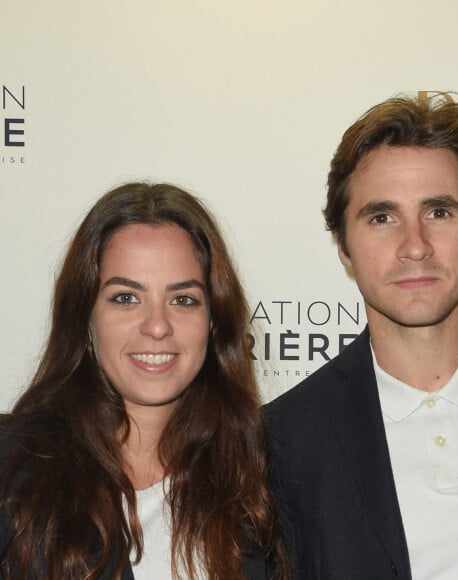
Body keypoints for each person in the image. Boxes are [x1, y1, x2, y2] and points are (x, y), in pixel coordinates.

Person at [265, 95, 458, 579]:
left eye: (438, 212)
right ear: (343, 247)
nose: (415, 246)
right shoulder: (281, 445)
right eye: (382, 217)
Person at [0, 183, 288, 580]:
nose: (156, 326)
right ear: (85, 316)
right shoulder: (14, 471)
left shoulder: (259, 477)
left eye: (183, 299)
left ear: (213, 320)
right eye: (125, 298)